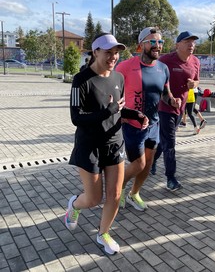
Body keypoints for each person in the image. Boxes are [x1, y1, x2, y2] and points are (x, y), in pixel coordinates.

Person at [65, 33, 148, 255]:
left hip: (114, 143)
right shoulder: (81, 80)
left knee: (114, 196)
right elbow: (77, 118)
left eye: (116, 52)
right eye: (108, 52)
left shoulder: (118, 78)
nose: (113, 57)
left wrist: (135, 114)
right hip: (89, 146)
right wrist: (108, 111)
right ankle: (74, 205)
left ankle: (103, 234)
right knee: (93, 199)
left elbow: (118, 109)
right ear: (95, 52)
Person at [115, 27, 180, 211]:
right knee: (138, 163)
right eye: (152, 41)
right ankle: (117, 190)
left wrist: (172, 101)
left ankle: (134, 194)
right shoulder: (125, 66)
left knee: (148, 164)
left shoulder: (163, 69)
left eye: (160, 42)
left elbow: (165, 95)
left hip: (153, 124)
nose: (157, 45)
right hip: (132, 124)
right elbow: (112, 91)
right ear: (141, 44)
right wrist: (119, 114)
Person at [151, 31, 200, 190]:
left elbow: (197, 80)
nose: (191, 45)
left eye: (193, 42)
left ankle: (151, 161)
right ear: (177, 45)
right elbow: (155, 78)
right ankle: (171, 178)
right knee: (170, 143)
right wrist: (169, 97)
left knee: (163, 141)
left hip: (181, 108)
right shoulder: (165, 60)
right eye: (187, 41)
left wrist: (194, 84)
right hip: (165, 107)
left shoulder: (195, 62)